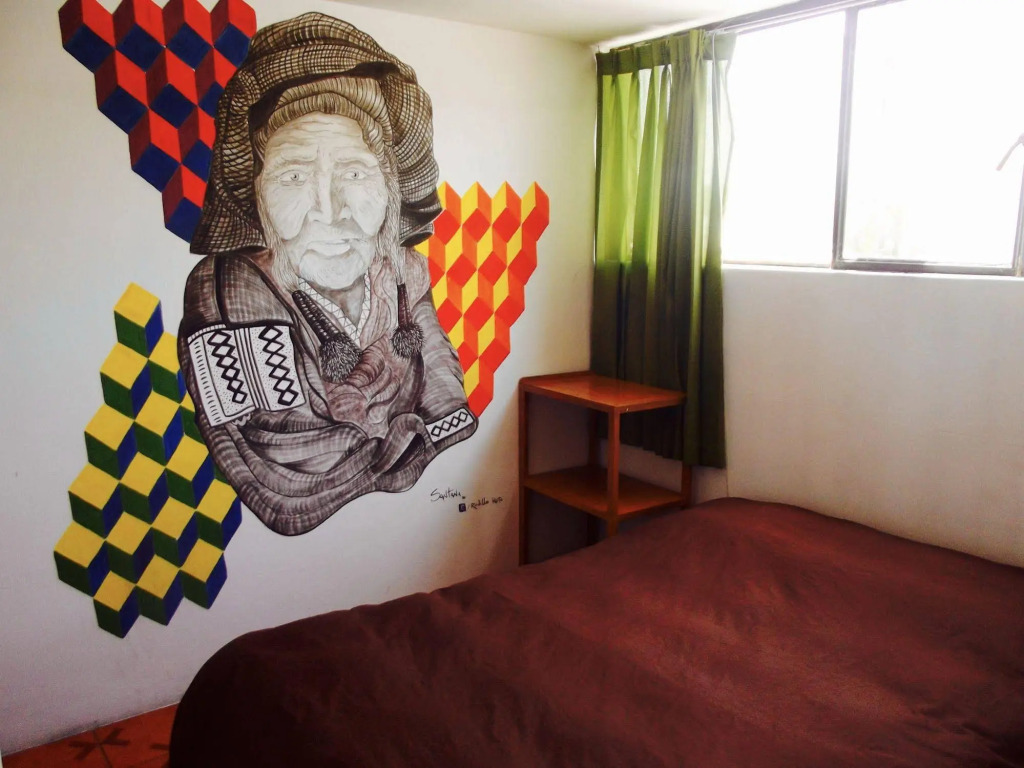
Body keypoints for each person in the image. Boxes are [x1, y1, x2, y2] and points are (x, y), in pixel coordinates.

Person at [178, 13, 476, 535]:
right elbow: (290, 465)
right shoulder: (226, 291)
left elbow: (445, 388)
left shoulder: (403, 271)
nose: (329, 209)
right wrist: (411, 434)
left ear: (389, 187)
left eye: (354, 172)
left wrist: (421, 426)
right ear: (258, 192)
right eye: (294, 175)